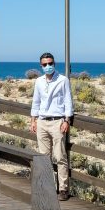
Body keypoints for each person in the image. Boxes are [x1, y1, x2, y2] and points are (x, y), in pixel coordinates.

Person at [30, 52, 74, 201]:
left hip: (57, 122)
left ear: (54, 64)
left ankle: (63, 189)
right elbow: (36, 101)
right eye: (45, 64)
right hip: (42, 121)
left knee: (60, 156)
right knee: (44, 157)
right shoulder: (39, 81)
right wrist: (33, 120)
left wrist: (66, 120)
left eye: (50, 63)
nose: (48, 66)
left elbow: (68, 101)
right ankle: (48, 187)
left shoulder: (63, 80)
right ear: (41, 66)